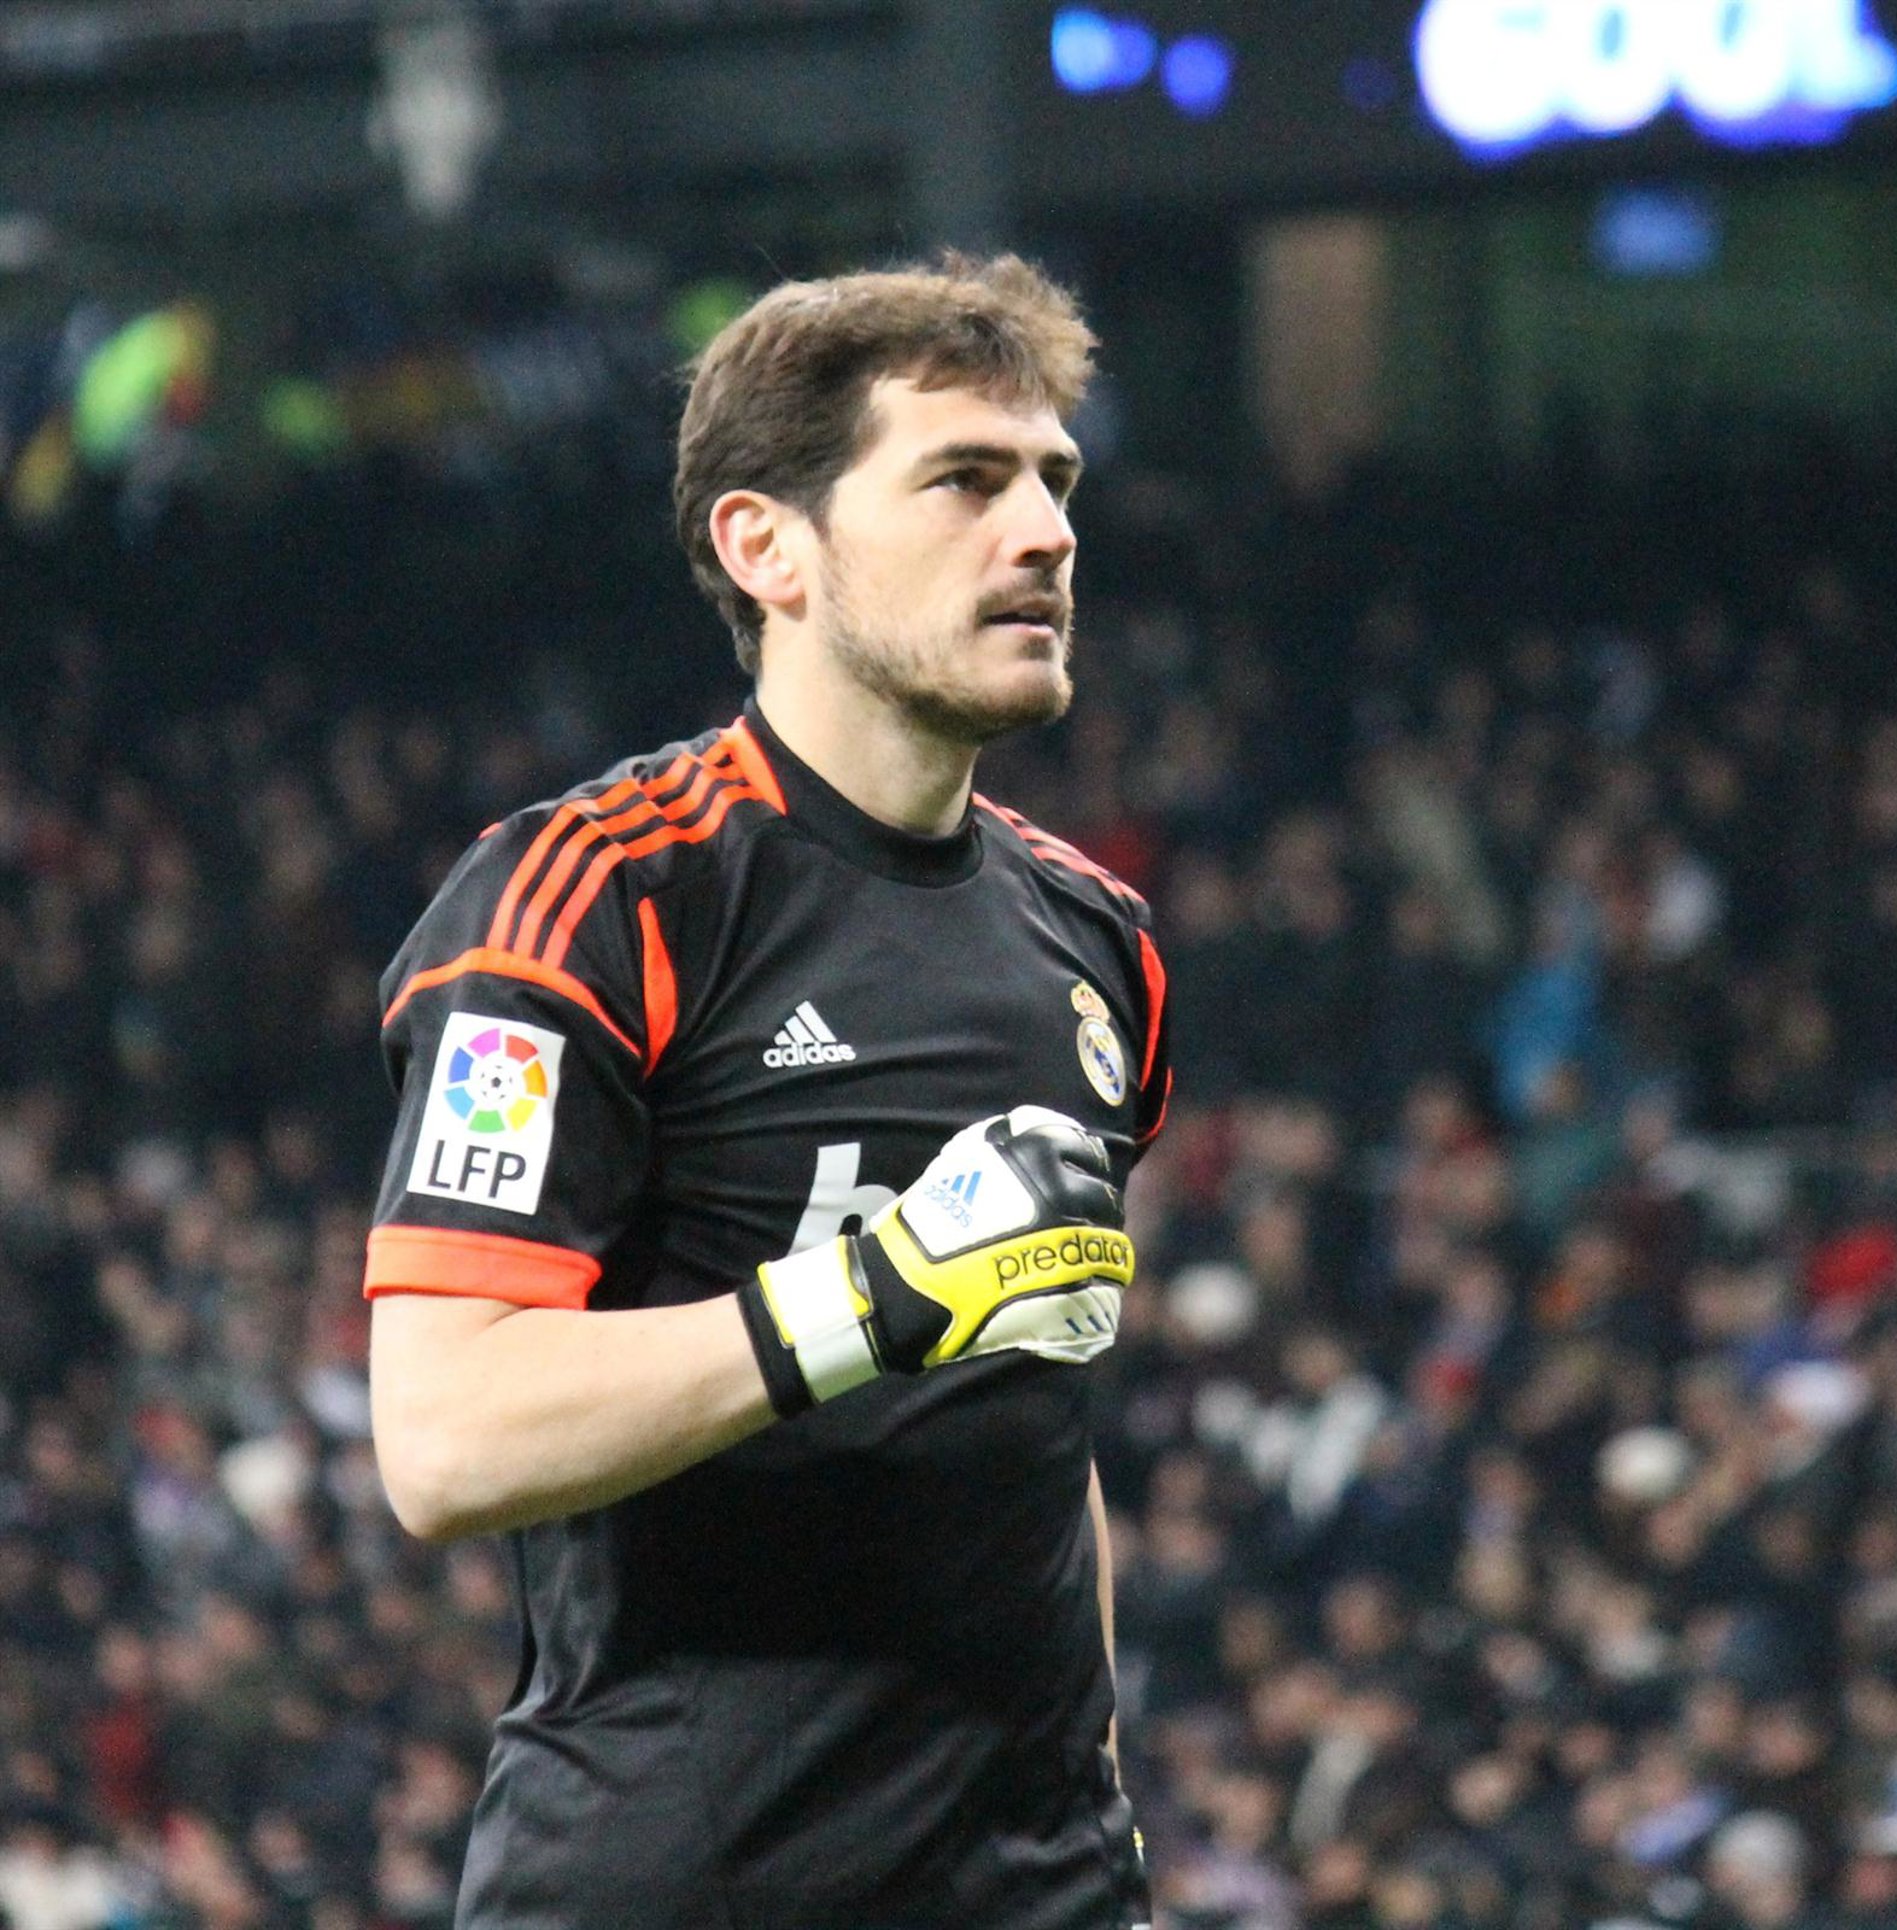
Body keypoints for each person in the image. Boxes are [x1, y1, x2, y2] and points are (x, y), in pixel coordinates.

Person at [363, 253, 1171, 1930]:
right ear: (767, 547)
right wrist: (869, 1298)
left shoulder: (1099, 943)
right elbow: (445, 1433)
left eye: (1054, 481)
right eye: (965, 479)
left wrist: (1101, 1796)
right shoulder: (588, 899)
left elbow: (1039, 1431)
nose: (1044, 532)